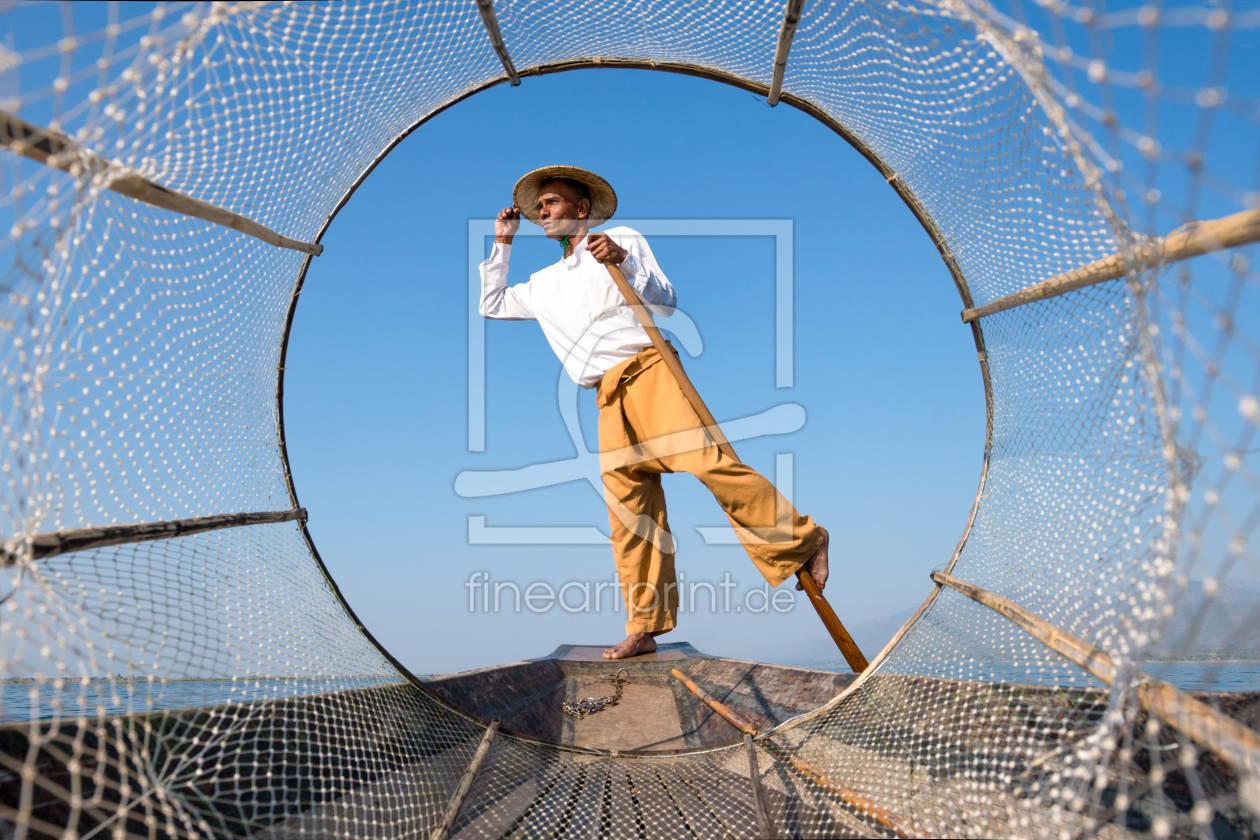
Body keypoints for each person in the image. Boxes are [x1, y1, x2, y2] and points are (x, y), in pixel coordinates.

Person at [479, 165, 829, 660]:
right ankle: (644, 626)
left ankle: (803, 538)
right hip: (605, 396)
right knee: (629, 515)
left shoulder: (618, 238)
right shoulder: (542, 283)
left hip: (649, 370)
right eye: (539, 205)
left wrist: (623, 261)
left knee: (708, 463)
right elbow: (490, 304)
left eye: (552, 201)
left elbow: (665, 302)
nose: (542, 209)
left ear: (581, 209)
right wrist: (502, 244)